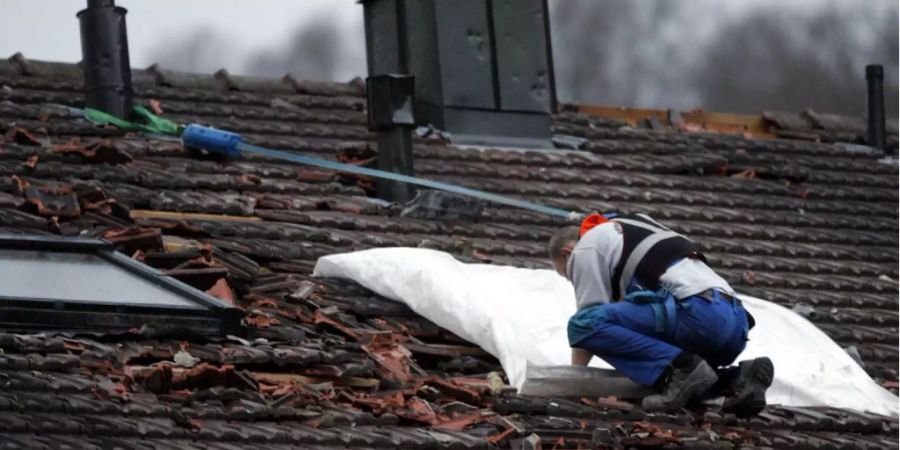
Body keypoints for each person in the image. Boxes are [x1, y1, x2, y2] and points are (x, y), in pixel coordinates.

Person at [548, 212, 773, 414]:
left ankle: (683, 367)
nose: (574, 280)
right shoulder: (633, 226)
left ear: (568, 253)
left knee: (582, 325)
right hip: (734, 325)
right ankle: (737, 380)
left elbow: (589, 318)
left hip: (698, 315)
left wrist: (575, 380)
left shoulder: (586, 246)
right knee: (673, 383)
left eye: (568, 275)